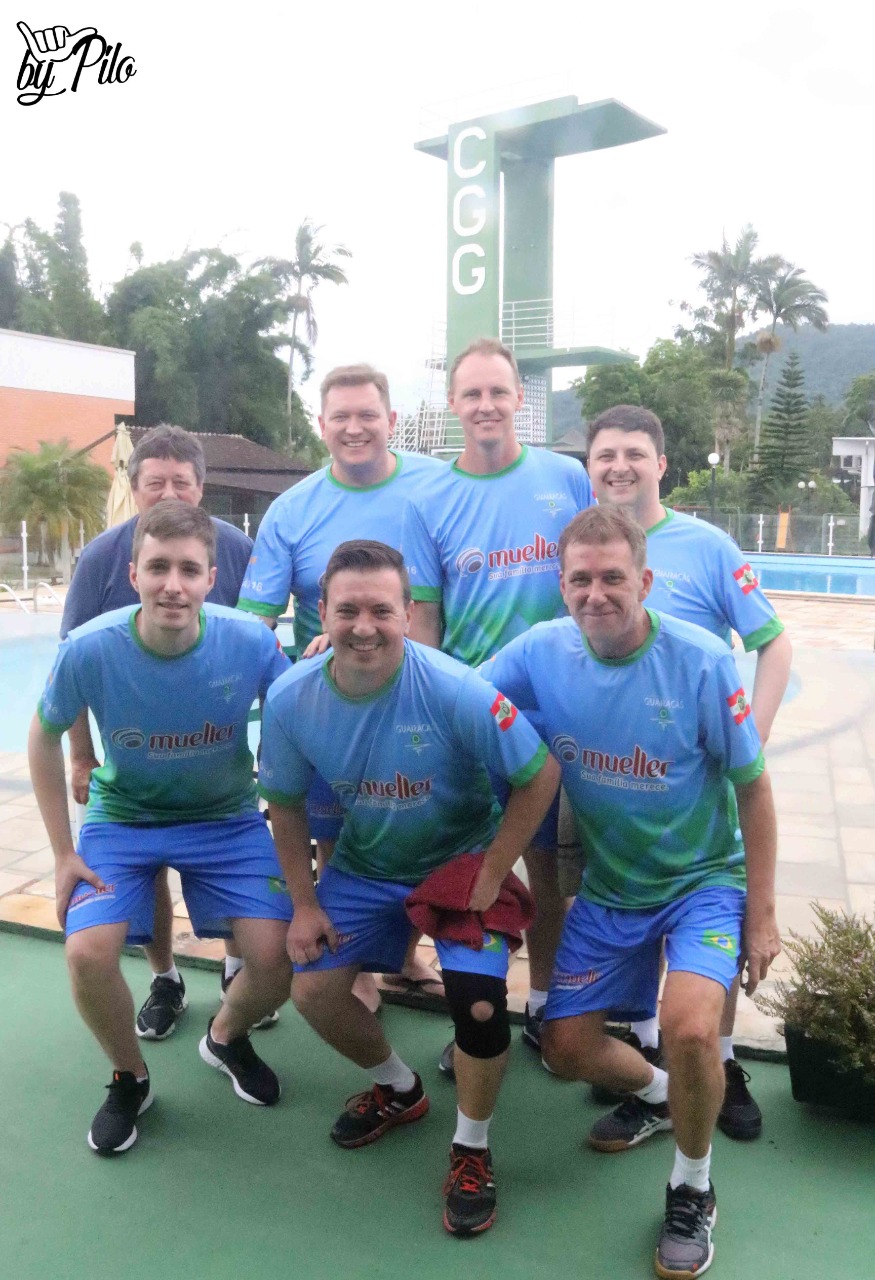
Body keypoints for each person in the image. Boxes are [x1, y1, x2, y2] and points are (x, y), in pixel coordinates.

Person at [483, 506, 780, 1278]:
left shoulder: (701, 660)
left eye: (612, 577)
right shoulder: (540, 650)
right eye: (579, 579)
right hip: (612, 889)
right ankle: (658, 1096)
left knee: (689, 1028)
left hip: (702, 882)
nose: (595, 593)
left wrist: (760, 913)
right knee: (563, 1048)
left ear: (644, 582)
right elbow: (457, 699)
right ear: (561, 585)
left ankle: (692, 1186)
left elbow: (753, 788)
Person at [258, 540, 560, 1236]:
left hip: (459, 866)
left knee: (478, 1005)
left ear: (408, 612)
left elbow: (540, 773)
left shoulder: (455, 688)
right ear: (320, 615)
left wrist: (494, 870)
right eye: (347, 611)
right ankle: (399, 1089)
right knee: (311, 990)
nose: (363, 626)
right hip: (366, 866)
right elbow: (286, 802)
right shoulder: (291, 698)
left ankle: (471, 1149)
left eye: (380, 610)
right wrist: (304, 904)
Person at [29, 502, 294, 1154]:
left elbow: (300, 707)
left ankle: (225, 1037)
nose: (173, 584)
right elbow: (42, 736)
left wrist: (326, 661)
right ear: (134, 574)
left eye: (188, 570)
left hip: (225, 818)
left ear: (210, 579)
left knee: (276, 959)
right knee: (87, 953)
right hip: (124, 819)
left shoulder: (249, 641)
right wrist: (63, 853)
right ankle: (130, 1077)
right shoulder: (90, 647)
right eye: (158, 568)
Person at [580, 404, 792, 1140]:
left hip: (697, 774)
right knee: (625, 902)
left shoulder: (706, 547)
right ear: (588, 467)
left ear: (661, 464)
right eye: (605, 455)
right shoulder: (586, 548)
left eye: (634, 453)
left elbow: (773, 641)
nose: (619, 467)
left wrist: (751, 734)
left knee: (707, 913)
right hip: (615, 776)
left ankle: (720, 1062)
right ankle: (650, 1061)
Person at [403, 336, 594, 1062]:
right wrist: (426, 705)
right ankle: (474, 1019)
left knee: (546, 872)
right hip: (473, 712)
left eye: (497, 392)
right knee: (473, 868)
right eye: (472, 394)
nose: (486, 405)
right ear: (454, 404)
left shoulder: (565, 478)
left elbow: (592, 577)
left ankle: (544, 1006)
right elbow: (425, 617)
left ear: (519, 398)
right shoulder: (429, 498)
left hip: (556, 713)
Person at [237, 364, 447, 1010]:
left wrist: (419, 682)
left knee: (412, 829)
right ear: (321, 425)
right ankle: (352, 958)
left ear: (391, 420)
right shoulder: (293, 509)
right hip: (332, 702)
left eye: (367, 415)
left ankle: (403, 954)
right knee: (335, 837)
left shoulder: (435, 487)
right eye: (340, 417)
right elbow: (256, 623)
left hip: (415, 694)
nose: (355, 428)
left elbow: (433, 604)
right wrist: (293, 686)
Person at [61, 424, 257, 1041]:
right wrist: (80, 755)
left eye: (181, 482)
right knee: (144, 873)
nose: (169, 493)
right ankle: (165, 976)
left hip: (213, 760)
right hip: (134, 762)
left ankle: (237, 969)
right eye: (155, 483)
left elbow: (257, 650)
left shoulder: (235, 550)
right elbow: (68, 667)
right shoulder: (102, 558)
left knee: (227, 868)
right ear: (134, 487)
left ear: (201, 488)